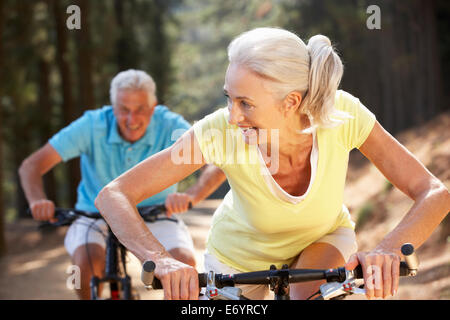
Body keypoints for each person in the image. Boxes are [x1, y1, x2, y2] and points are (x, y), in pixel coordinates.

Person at [94, 28, 450, 300]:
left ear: (290, 102)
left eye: (246, 104)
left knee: (308, 294)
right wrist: (162, 259)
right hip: (235, 258)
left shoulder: (342, 116)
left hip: (321, 238)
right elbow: (115, 195)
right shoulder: (219, 131)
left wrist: (389, 248)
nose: (233, 116)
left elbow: (433, 192)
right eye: (228, 99)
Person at [18, 69, 226, 299]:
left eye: (140, 110)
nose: (132, 119)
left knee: (183, 266)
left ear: (153, 106)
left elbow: (216, 165)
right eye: (124, 110)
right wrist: (37, 200)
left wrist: (191, 195)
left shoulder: (170, 125)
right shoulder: (91, 125)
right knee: (85, 266)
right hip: (93, 214)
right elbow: (31, 166)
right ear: (113, 107)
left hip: (156, 213)